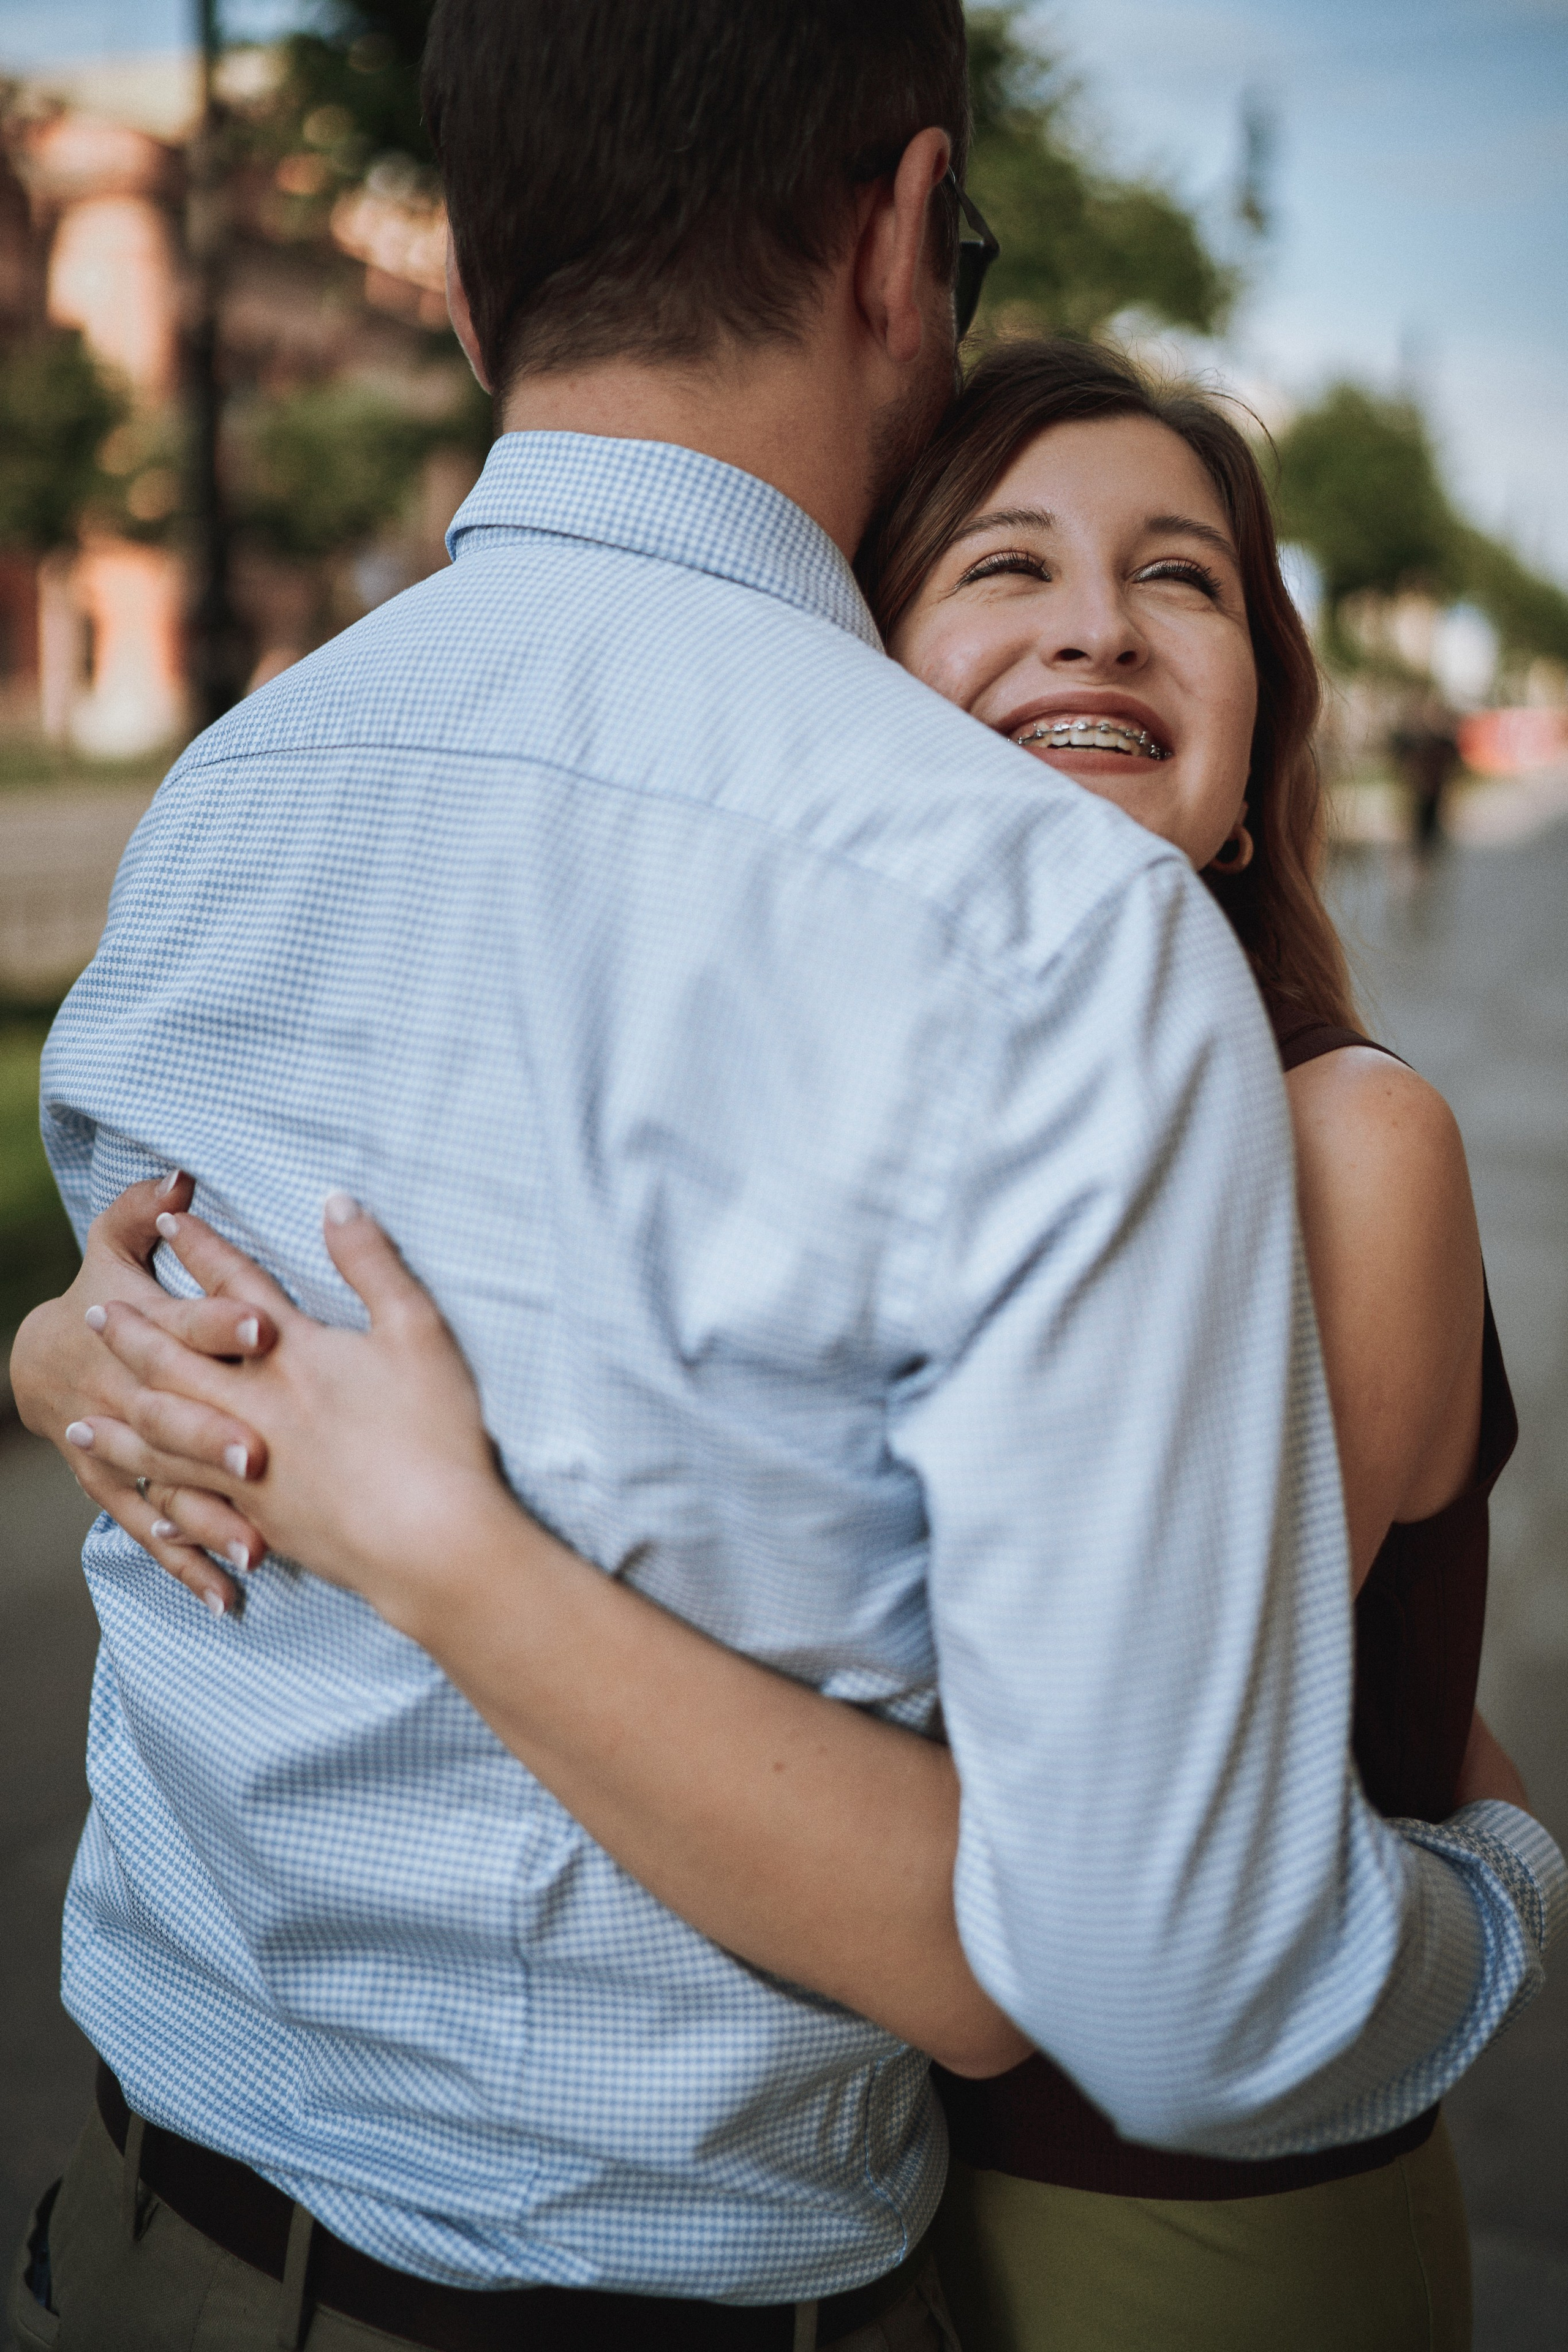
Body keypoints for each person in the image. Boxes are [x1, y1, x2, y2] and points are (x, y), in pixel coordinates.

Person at [9, 0, 1565, 2337]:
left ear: (452, 286)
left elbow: (180, 1384)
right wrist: (1500, 1887)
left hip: (132, 2234)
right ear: (907, 229)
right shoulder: (1040, 926)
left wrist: (80, 1348)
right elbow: (1152, 1978)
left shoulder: (227, 796)